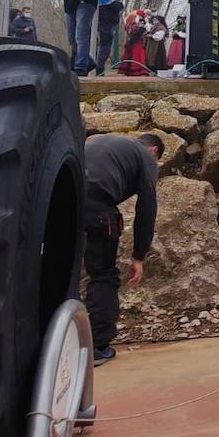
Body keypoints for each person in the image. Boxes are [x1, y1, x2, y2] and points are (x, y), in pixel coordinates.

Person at [83, 132, 162, 365]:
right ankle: (95, 346)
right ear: (154, 151)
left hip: (59, 196)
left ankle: (51, 339)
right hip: (97, 205)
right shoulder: (146, 157)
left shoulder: (104, 140)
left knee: (58, 271)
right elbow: (147, 207)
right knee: (103, 275)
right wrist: (139, 255)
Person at [95, 0, 124, 75]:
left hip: (108, 24)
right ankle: (99, 70)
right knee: (105, 47)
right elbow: (117, 6)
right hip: (104, 25)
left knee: (106, 48)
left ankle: (100, 68)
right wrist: (119, 4)